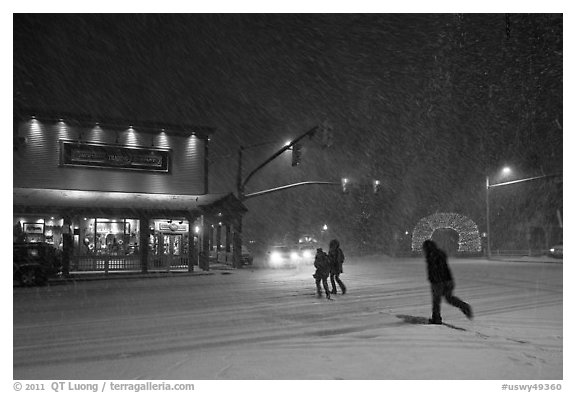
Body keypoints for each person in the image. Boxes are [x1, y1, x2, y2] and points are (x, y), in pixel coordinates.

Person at [422, 239, 473, 324]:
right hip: (448, 280)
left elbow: (434, 269)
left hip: (438, 281)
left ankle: (436, 319)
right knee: (449, 298)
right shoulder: (440, 254)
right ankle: (464, 306)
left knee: (436, 301)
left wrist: (433, 279)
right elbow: (444, 268)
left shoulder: (431, 256)